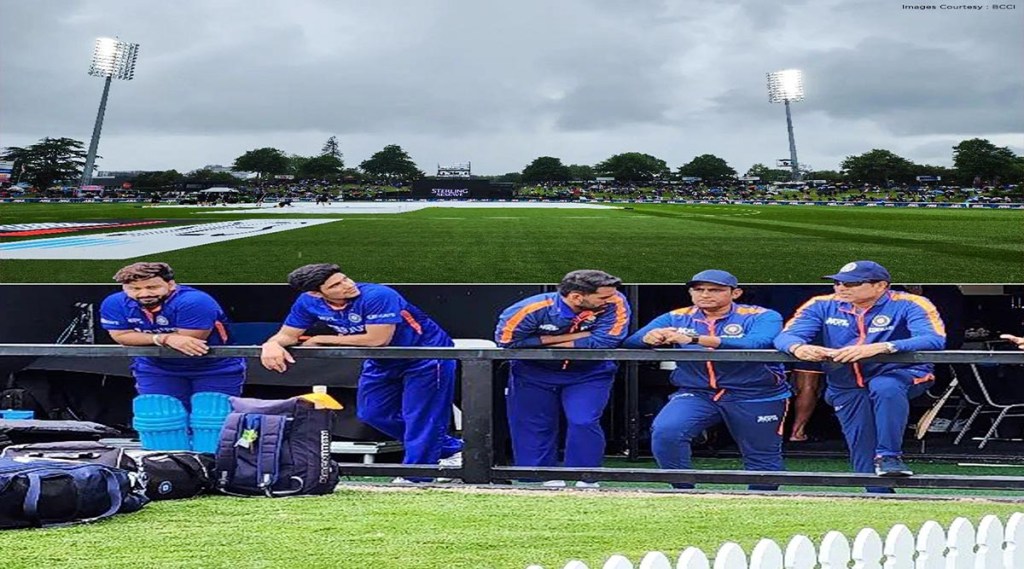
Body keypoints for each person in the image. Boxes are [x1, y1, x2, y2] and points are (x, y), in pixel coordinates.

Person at [260, 263, 462, 473]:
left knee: (420, 416)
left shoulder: (379, 295)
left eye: (345, 278)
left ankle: (417, 475)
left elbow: (377, 339)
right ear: (316, 293)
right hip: (381, 360)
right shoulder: (307, 302)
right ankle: (453, 450)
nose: (347, 285)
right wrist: (271, 344)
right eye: (335, 285)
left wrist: (322, 338)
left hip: (426, 355)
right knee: (371, 413)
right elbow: (287, 335)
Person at [774, 260, 946, 482]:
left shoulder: (911, 303)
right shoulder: (821, 304)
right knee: (860, 443)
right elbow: (785, 336)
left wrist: (884, 347)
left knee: (885, 386)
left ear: (880, 285)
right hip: (845, 381)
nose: (841, 288)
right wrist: (798, 347)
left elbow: (934, 339)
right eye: (837, 283)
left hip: (902, 372)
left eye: (852, 283)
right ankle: (876, 496)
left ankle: (889, 456)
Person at [623, 270, 790, 490]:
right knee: (667, 433)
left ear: (736, 293)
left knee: (761, 454)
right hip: (698, 391)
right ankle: (684, 494)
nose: (705, 294)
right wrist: (648, 337)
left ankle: (762, 505)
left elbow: (759, 343)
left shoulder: (761, 315)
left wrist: (696, 338)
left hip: (756, 392)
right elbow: (631, 342)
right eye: (698, 289)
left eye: (715, 290)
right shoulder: (677, 316)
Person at [495, 270, 631, 487]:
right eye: (603, 297)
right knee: (533, 424)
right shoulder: (529, 309)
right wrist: (574, 336)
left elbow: (605, 342)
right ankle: (537, 478)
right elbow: (507, 342)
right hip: (534, 372)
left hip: (589, 373)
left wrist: (542, 342)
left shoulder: (616, 301)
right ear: (577, 297)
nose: (612, 299)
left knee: (583, 420)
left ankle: (585, 477)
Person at [99, 262, 246, 408]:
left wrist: (148, 338)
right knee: (160, 420)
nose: (144, 294)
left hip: (214, 367)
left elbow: (189, 341)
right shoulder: (114, 303)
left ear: (171, 284)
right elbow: (121, 336)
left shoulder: (194, 301)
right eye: (134, 288)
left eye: (152, 287)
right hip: (155, 367)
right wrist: (164, 338)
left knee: (212, 421)